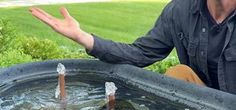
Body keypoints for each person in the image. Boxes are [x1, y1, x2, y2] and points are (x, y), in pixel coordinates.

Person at [30, 0, 236, 94]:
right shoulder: (180, 10)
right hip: (205, 107)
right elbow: (140, 53)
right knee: (178, 73)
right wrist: (84, 38)